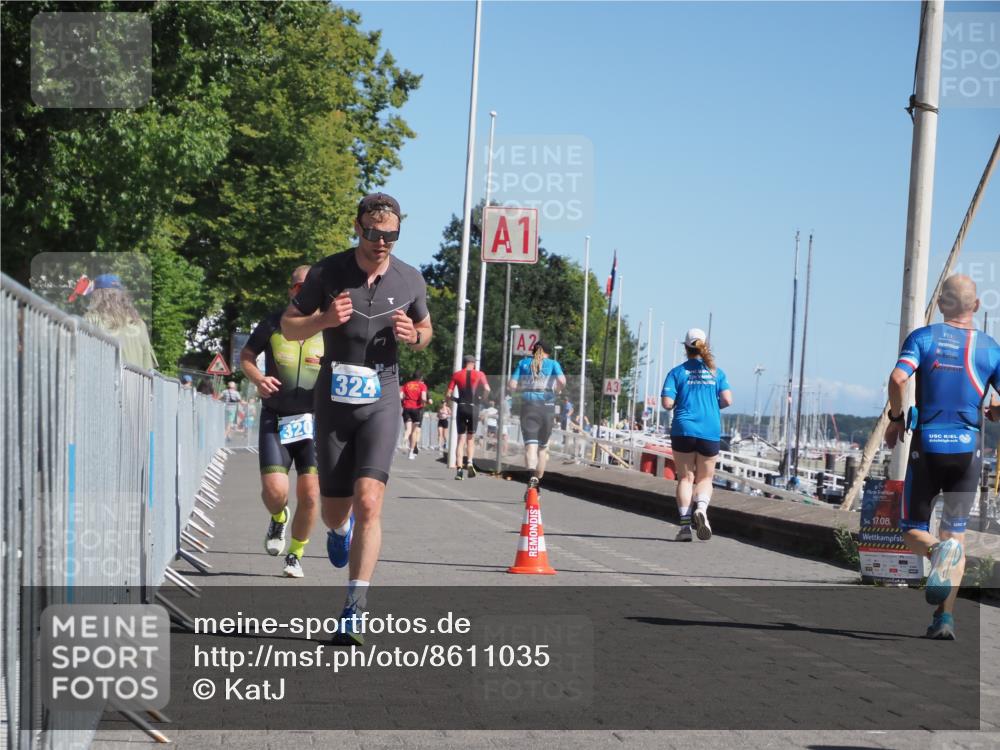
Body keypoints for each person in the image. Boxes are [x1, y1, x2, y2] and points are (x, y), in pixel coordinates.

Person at [281, 192, 431, 644]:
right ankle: (338, 530)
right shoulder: (328, 272)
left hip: (382, 399)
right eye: (372, 233)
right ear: (357, 226)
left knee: (370, 501)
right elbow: (290, 325)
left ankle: (354, 607)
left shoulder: (410, 280)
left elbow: (426, 331)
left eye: (391, 235)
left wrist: (415, 337)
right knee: (335, 509)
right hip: (333, 401)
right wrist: (323, 319)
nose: (381, 242)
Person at [885, 274, 1000, 640]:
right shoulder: (990, 348)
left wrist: (895, 418)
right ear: (977, 307)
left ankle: (936, 552)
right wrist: (994, 410)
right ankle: (945, 618)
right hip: (968, 453)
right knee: (957, 537)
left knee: (912, 530)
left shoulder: (923, 338)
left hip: (928, 446)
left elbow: (898, 378)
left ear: (940, 304)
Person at [240, 265, 324, 578]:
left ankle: (296, 554)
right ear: (291, 291)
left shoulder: (329, 325)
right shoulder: (274, 322)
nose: (304, 293)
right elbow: (246, 356)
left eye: (311, 287)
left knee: (311, 494)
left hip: (314, 421)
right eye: (299, 287)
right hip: (276, 417)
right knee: (276, 491)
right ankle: (278, 517)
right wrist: (259, 379)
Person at [661, 328, 733, 542]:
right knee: (705, 478)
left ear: (685, 347)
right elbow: (728, 400)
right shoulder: (716, 373)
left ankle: (684, 527)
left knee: (685, 478)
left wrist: (678, 402)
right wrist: (712, 406)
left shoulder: (676, 372)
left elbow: (667, 403)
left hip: (683, 429)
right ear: (705, 346)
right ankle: (701, 509)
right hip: (710, 429)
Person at [509, 340, 567, 497]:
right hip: (547, 407)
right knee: (543, 448)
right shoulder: (553, 363)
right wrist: (557, 391)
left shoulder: (523, 363)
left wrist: (523, 388)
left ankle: (531, 482)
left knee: (530, 447)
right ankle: (536, 483)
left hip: (528, 406)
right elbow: (562, 381)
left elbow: (512, 385)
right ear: (548, 352)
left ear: (533, 351)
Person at [84, 274, 158, 370]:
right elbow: (149, 367)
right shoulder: (139, 324)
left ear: (97, 296)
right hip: (137, 384)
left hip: (105, 383)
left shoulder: (91, 320)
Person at [448, 354, 490, 479]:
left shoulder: (457, 374)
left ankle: (459, 470)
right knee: (470, 439)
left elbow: (448, 393)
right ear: (473, 363)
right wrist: (483, 399)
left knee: (461, 439)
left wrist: (453, 400)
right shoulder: (480, 374)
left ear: (464, 363)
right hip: (474, 407)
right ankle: (470, 462)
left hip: (461, 406)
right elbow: (487, 389)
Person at [400, 370, 429, 460]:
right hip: (416, 409)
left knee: (408, 430)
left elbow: (400, 396)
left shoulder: (407, 384)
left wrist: (404, 402)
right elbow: (424, 397)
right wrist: (423, 403)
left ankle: (404, 440)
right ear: (421, 377)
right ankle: (411, 452)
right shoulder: (422, 385)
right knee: (414, 432)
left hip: (406, 408)